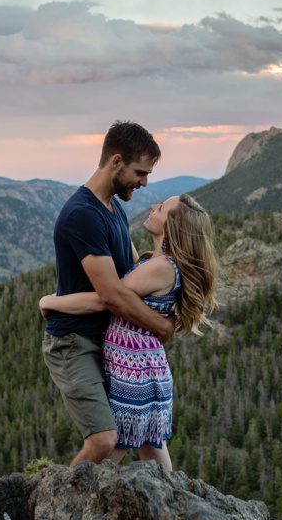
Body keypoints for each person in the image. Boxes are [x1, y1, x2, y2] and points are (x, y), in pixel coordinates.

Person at [40, 193, 219, 471]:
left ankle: (68, 495)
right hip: (146, 368)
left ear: (172, 228)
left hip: (134, 370)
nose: (153, 207)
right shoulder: (159, 264)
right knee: (150, 443)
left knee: (112, 449)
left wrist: (50, 302)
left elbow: (106, 298)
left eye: (160, 208)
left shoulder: (160, 267)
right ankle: (171, 500)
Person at [42, 120, 173, 467]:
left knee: (136, 429)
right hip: (74, 341)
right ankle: (61, 508)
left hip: (106, 341)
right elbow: (112, 294)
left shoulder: (115, 209)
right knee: (103, 440)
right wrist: (161, 328)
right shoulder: (82, 214)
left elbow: (133, 273)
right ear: (116, 161)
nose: (144, 182)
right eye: (140, 172)